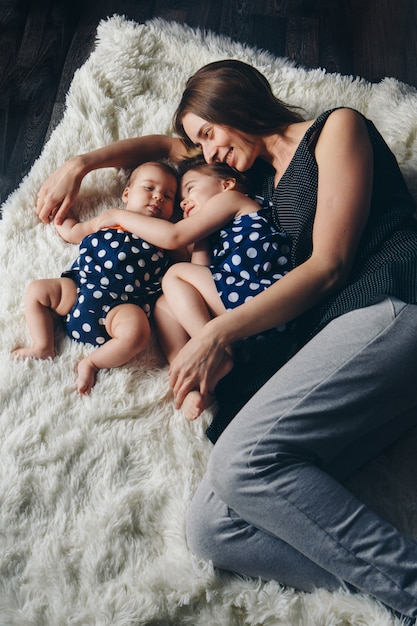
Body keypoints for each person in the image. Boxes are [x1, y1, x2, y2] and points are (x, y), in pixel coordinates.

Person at [35, 59, 417, 622]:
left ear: (235, 103)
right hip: (340, 348)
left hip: (390, 303)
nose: (208, 153)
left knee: (241, 465)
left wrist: (218, 331)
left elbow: (331, 266)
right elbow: (167, 148)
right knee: (214, 530)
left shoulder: (335, 128)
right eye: (201, 144)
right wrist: (81, 162)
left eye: (210, 133)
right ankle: (393, 591)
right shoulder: (250, 183)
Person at [92, 156, 293, 420]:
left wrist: (120, 215)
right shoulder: (213, 232)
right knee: (165, 305)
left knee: (175, 275)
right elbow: (202, 273)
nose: (183, 202)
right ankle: (189, 385)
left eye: (190, 189)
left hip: (263, 298)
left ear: (226, 184)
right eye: (181, 201)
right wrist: (201, 239)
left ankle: (216, 352)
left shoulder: (233, 200)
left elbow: (174, 237)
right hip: (237, 308)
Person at [13, 161, 178, 394]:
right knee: (36, 290)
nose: (158, 197)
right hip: (78, 289)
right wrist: (61, 213)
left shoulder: (163, 237)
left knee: (138, 331)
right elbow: (73, 231)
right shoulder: (108, 221)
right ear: (127, 194)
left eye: (168, 196)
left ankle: (91, 362)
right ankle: (43, 346)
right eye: (149, 188)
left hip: (118, 308)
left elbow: (184, 245)